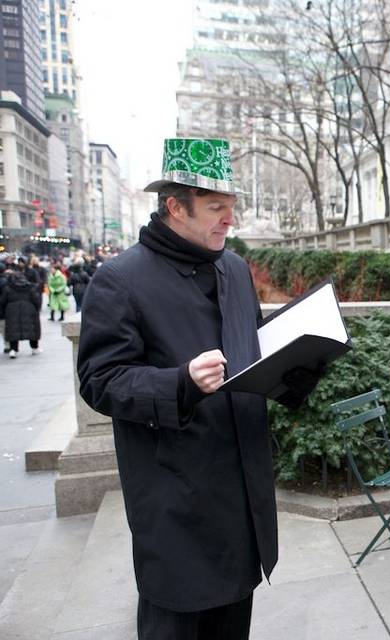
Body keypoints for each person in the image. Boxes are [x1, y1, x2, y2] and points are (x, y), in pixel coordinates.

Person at [77, 138, 320, 640]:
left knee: (234, 620)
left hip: (242, 496)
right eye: (216, 208)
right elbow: (100, 381)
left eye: (231, 208)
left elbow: (250, 352)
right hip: (175, 500)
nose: (228, 220)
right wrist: (179, 383)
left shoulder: (232, 267)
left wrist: (296, 368)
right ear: (175, 206)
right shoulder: (119, 280)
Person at [0, 270, 41, 358]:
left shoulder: (8, 288)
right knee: (32, 329)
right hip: (29, 309)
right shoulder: (30, 287)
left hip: (12, 312)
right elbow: (36, 299)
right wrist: (37, 309)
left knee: (13, 330)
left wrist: (3, 311)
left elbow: (3, 301)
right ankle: (34, 347)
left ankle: (13, 349)